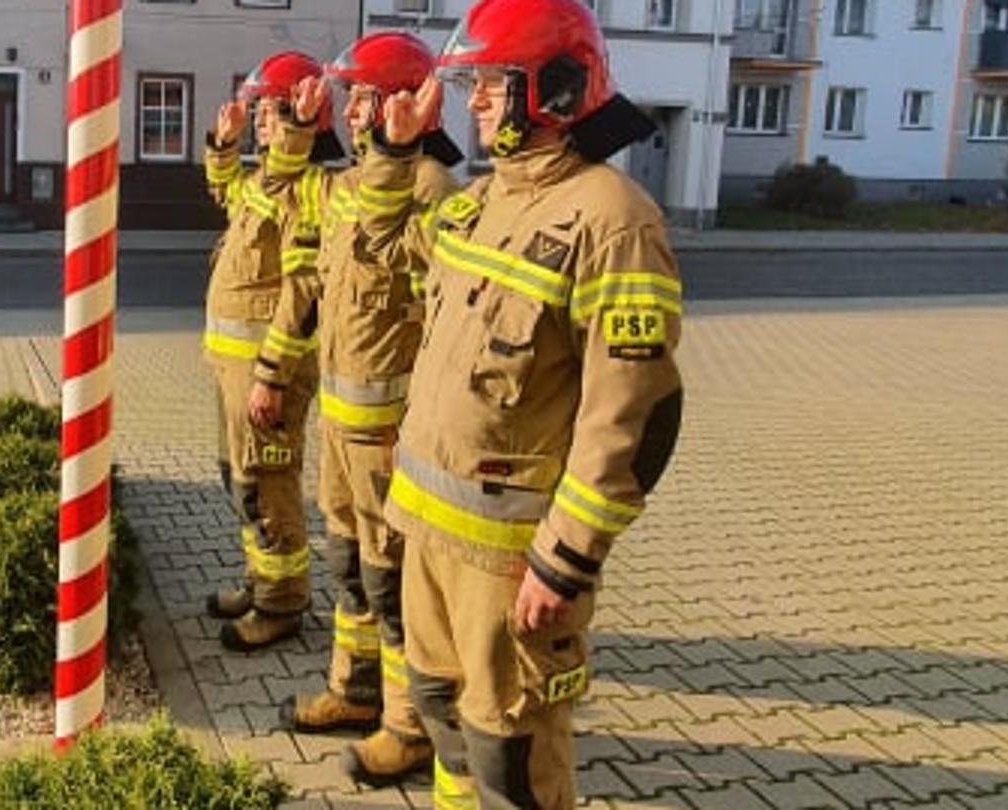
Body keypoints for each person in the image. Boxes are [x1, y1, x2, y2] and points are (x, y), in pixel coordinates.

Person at [358, 0, 682, 806]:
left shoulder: (613, 220)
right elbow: (375, 254)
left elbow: (635, 416)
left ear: (555, 91)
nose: (472, 104)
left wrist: (565, 560)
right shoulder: (476, 203)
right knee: (441, 713)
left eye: (489, 87)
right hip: (428, 532)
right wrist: (396, 152)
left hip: (510, 562)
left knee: (512, 754)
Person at [252, 33, 463, 786]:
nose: (354, 110)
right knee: (350, 568)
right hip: (342, 426)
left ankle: (409, 729)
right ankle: (355, 690)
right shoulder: (345, 187)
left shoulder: (434, 189)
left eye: (364, 97)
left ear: (403, 102)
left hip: (392, 437)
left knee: (394, 582)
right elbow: (298, 257)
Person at [200, 50, 341, 652]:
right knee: (242, 479)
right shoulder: (266, 181)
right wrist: (222, 146)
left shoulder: (308, 188)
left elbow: (303, 291)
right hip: (236, 366)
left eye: (267, 111)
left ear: (300, 117)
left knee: (268, 480)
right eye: (255, 111)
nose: (258, 120)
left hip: (266, 372)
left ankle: (282, 604)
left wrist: (273, 375)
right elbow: (229, 197)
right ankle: (261, 581)